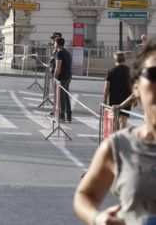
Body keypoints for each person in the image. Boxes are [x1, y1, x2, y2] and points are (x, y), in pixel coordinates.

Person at [73, 37, 156, 225]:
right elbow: (85, 194)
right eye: (154, 74)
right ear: (136, 86)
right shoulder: (119, 145)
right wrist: (97, 217)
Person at [103, 52, 132, 129]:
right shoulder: (130, 71)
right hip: (127, 98)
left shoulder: (110, 71)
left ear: (114, 59)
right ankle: (122, 136)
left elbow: (106, 88)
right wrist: (134, 101)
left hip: (114, 97)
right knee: (123, 119)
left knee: (114, 120)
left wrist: (104, 100)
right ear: (125, 59)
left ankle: (115, 136)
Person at [53, 37, 73, 122]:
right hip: (68, 76)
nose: (53, 44)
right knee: (66, 96)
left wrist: (55, 77)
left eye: (54, 42)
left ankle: (62, 116)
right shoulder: (67, 52)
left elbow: (58, 68)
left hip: (62, 77)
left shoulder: (59, 53)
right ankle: (68, 115)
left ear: (57, 44)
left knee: (61, 97)